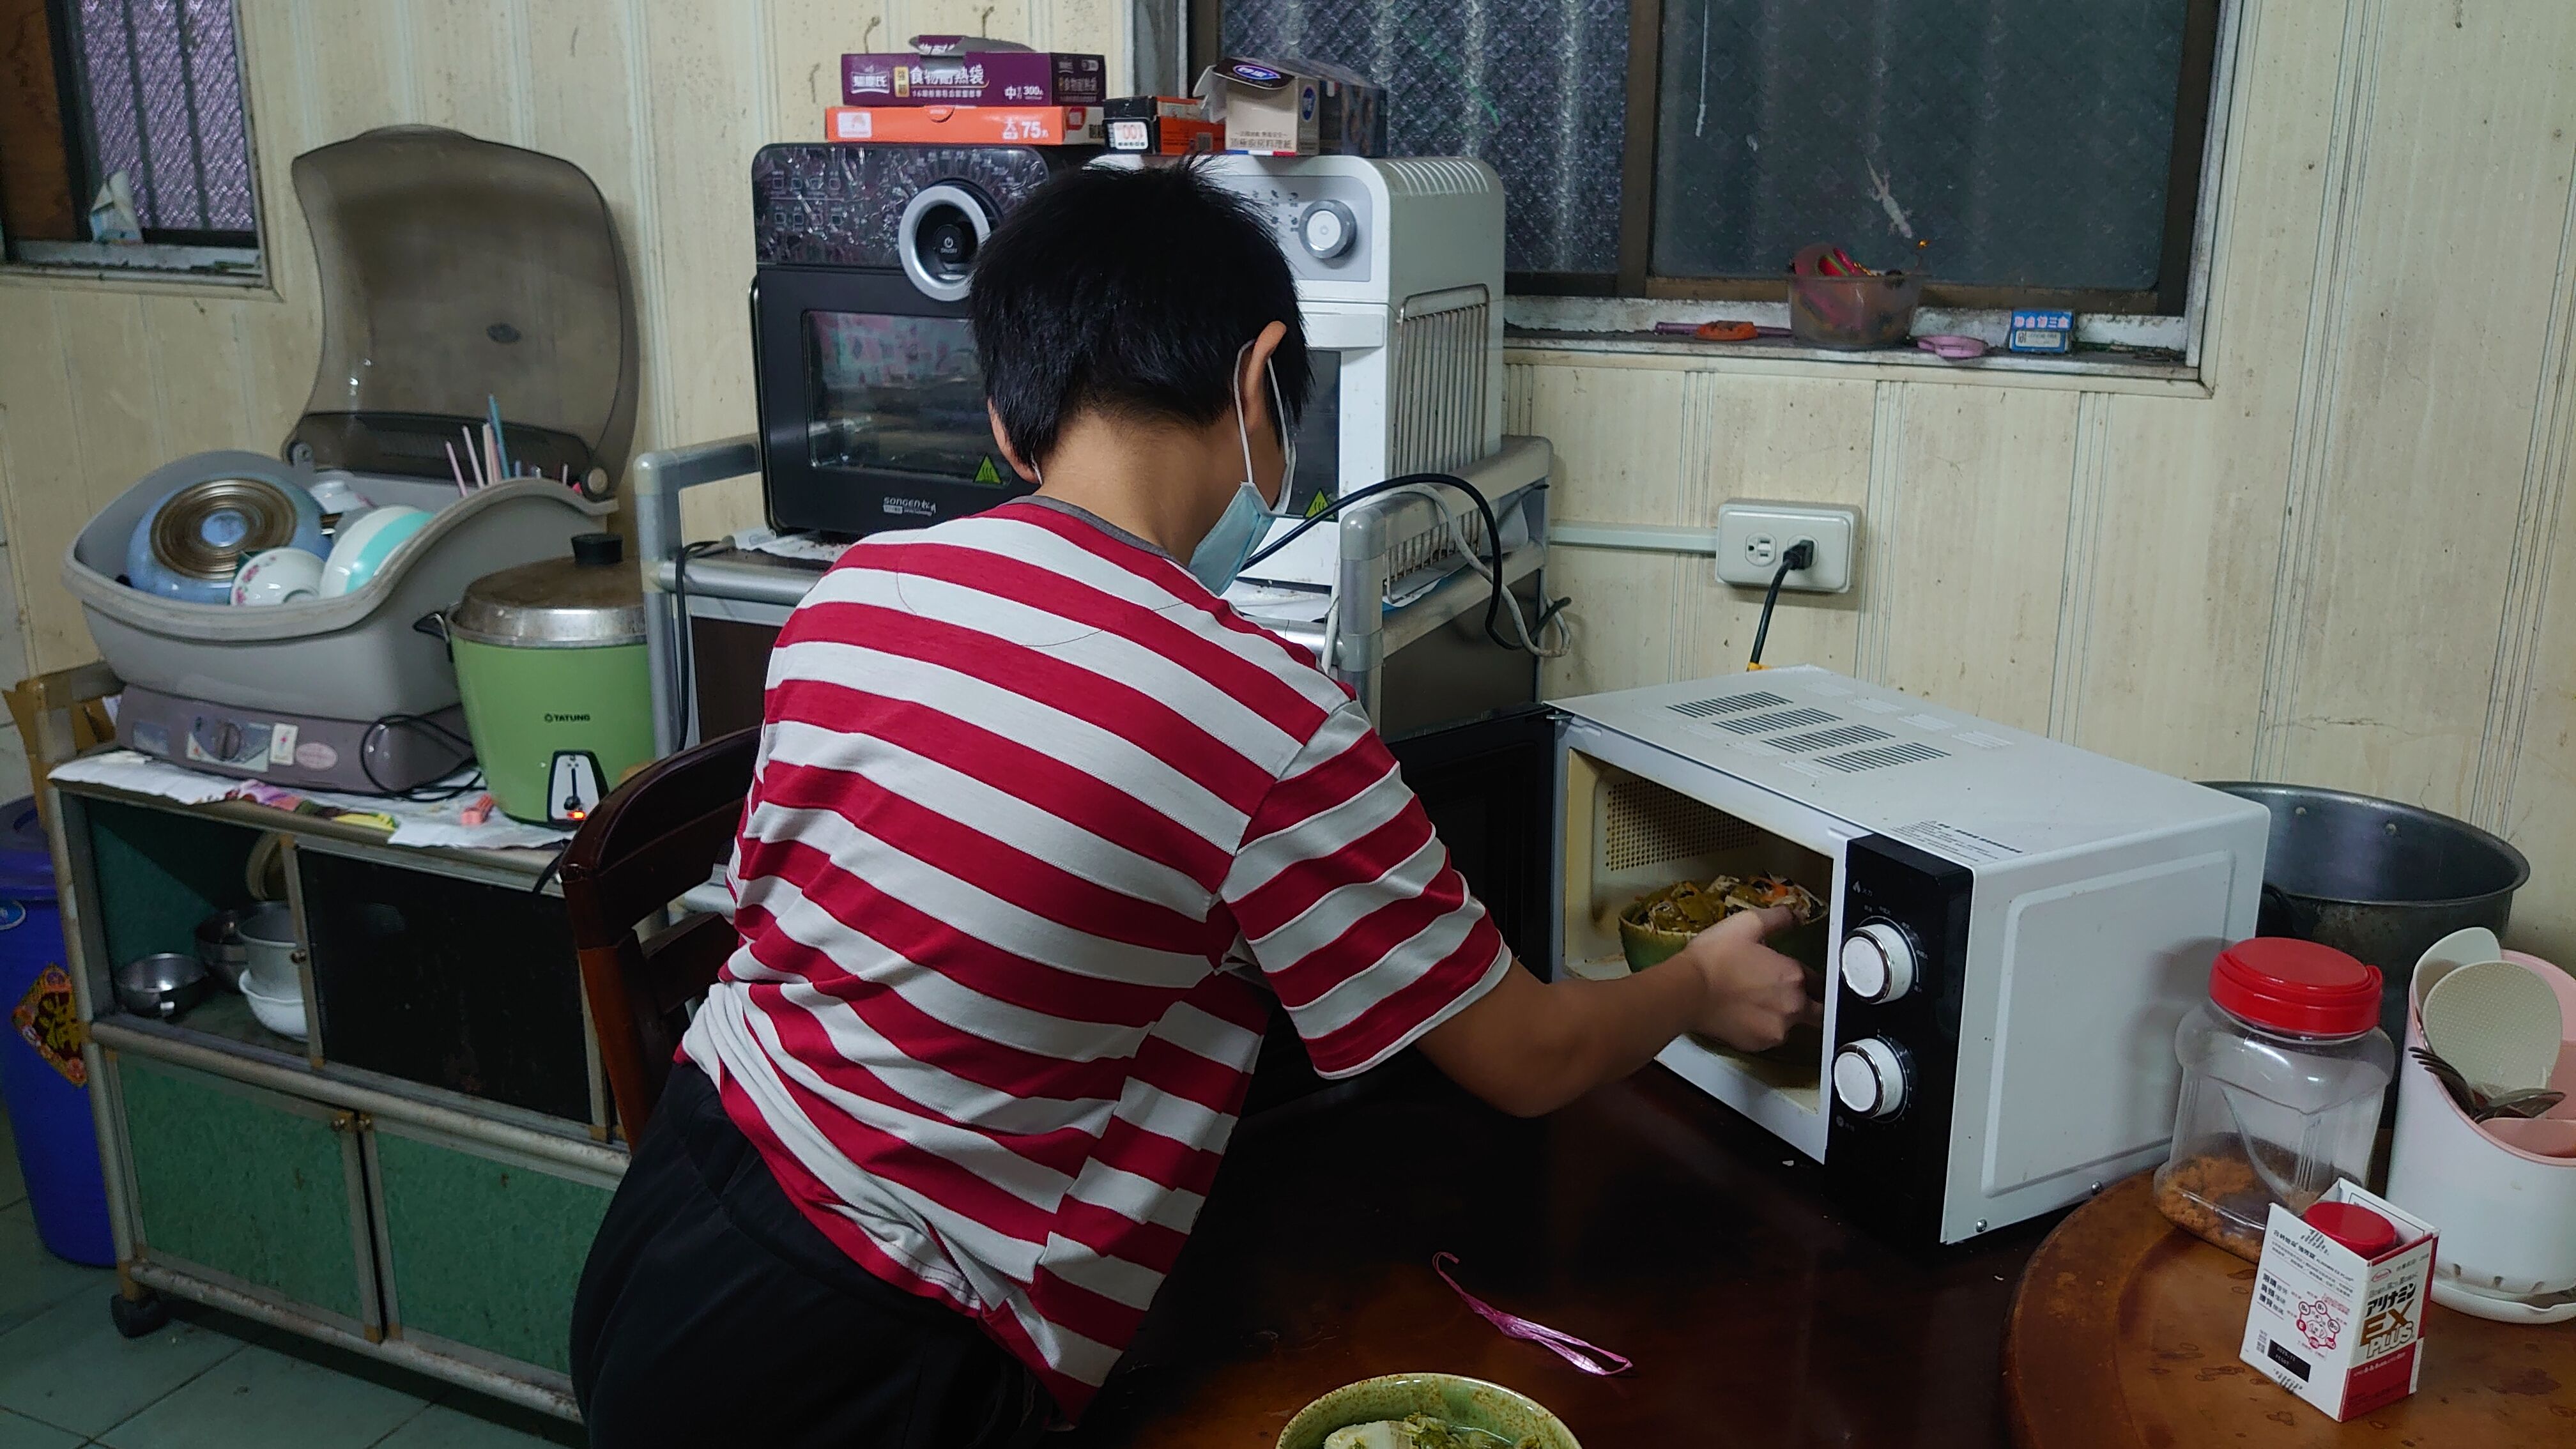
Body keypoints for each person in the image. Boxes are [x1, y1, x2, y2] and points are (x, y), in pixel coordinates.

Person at [567, 161, 1818, 1448]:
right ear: (1263, 372)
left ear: (1006, 417)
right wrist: (1703, 986)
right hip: (881, 1355)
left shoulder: (855, 595)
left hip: (669, 1234)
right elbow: (1532, 1060)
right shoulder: (1260, 719)